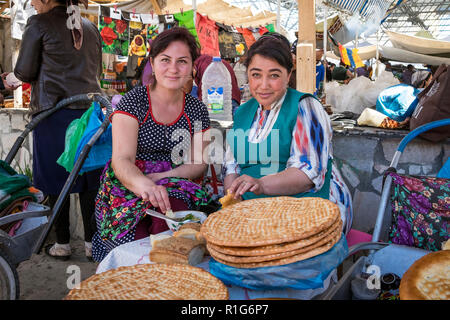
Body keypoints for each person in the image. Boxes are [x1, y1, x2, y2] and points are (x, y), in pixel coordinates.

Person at [92, 27, 213, 262]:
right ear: (153, 62)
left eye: (182, 61)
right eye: (165, 60)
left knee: (173, 233)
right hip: (128, 181)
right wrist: (145, 185)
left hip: (176, 181)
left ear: (192, 67)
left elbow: (198, 163)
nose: (173, 68)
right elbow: (122, 159)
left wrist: (163, 176)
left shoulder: (197, 109)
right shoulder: (133, 102)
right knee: (130, 237)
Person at [1, 0, 102, 260]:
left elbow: (24, 70)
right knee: (88, 176)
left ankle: (63, 243)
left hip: (53, 113)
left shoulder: (39, 23)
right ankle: (92, 243)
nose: (32, 3)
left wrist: (14, 78)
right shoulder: (89, 27)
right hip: (89, 114)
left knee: (58, 179)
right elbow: (95, 71)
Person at [222, 34, 353, 235]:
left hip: (309, 207)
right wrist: (233, 196)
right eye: (256, 75)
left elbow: (307, 173)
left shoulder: (305, 107)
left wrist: (260, 184)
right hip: (258, 209)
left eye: (274, 75)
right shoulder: (242, 112)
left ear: (288, 73)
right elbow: (232, 166)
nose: (263, 85)